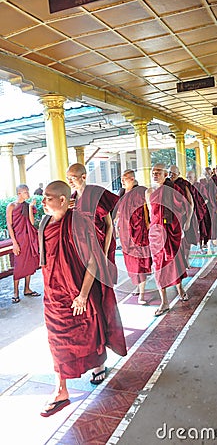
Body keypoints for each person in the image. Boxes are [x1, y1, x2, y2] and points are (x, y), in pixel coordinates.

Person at [39, 180, 127, 417]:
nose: (43, 202)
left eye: (48, 197)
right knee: (57, 342)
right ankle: (61, 390)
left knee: (90, 335)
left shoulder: (78, 223)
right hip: (54, 296)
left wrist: (83, 295)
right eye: (43, 197)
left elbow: (92, 260)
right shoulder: (45, 224)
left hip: (78, 294)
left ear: (62, 200)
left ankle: (98, 365)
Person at [146, 164, 189, 317]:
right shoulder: (149, 192)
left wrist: (179, 224)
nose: (155, 174)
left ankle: (180, 288)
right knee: (158, 267)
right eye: (153, 172)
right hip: (156, 234)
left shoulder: (172, 190)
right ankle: (164, 301)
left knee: (175, 262)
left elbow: (184, 207)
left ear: (166, 175)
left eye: (159, 172)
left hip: (171, 231)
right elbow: (151, 213)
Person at [66, 163, 119, 284]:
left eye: (73, 178)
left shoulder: (96, 193)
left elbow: (109, 225)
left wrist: (104, 253)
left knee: (102, 283)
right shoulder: (72, 199)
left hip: (99, 245)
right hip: (83, 248)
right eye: (68, 178)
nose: (70, 182)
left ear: (83, 177)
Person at [115, 170, 152, 305]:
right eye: (122, 179)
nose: (122, 181)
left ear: (132, 179)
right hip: (125, 234)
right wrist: (116, 226)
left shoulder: (141, 191)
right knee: (130, 263)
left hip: (138, 233)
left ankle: (142, 293)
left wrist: (150, 226)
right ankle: (138, 286)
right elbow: (119, 211)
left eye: (125, 179)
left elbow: (149, 209)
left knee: (139, 264)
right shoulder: (122, 193)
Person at [6, 184, 40, 303]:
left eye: (28, 191)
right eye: (25, 192)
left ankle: (27, 289)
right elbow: (9, 225)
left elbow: (31, 222)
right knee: (19, 265)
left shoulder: (27, 206)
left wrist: (31, 207)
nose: (28, 194)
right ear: (19, 193)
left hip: (28, 239)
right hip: (19, 240)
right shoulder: (11, 206)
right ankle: (15, 292)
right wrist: (14, 243)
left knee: (29, 264)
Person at [168, 165, 196, 263]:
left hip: (184, 216)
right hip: (171, 217)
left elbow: (191, 203)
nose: (171, 175)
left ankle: (186, 259)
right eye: (170, 173)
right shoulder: (166, 184)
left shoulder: (183, 184)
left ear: (179, 174)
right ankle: (178, 262)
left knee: (186, 240)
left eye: (174, 173)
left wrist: (188, 220)